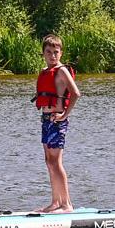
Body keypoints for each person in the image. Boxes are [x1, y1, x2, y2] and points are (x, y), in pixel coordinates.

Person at [34, 35, 80, 213]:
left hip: (56, 120)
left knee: (56, 162)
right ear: (43, 53)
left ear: (61, 53)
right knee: (49, 161)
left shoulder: (62, 71)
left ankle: (66, 204)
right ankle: (55, 202)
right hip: (46, 120)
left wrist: (64, 115)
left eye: (56, 52)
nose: (52, 56)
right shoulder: (45, 70)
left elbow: (76, 93)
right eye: (49, 52)